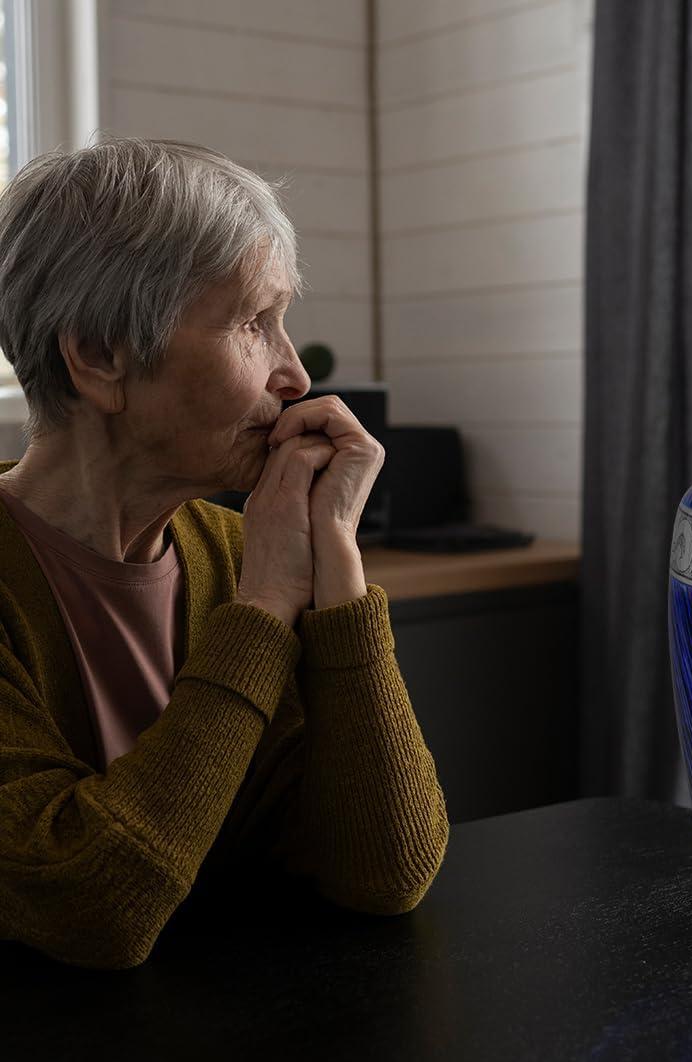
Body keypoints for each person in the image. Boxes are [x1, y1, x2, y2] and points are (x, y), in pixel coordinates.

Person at [0, 135, 449, 970]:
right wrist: (265, 607)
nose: (293, 378)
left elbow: (387, 871)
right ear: (98, 357)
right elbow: (91, 906)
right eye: (253, 322)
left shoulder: (240, 554)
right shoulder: (255, 583)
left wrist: (335, 573)